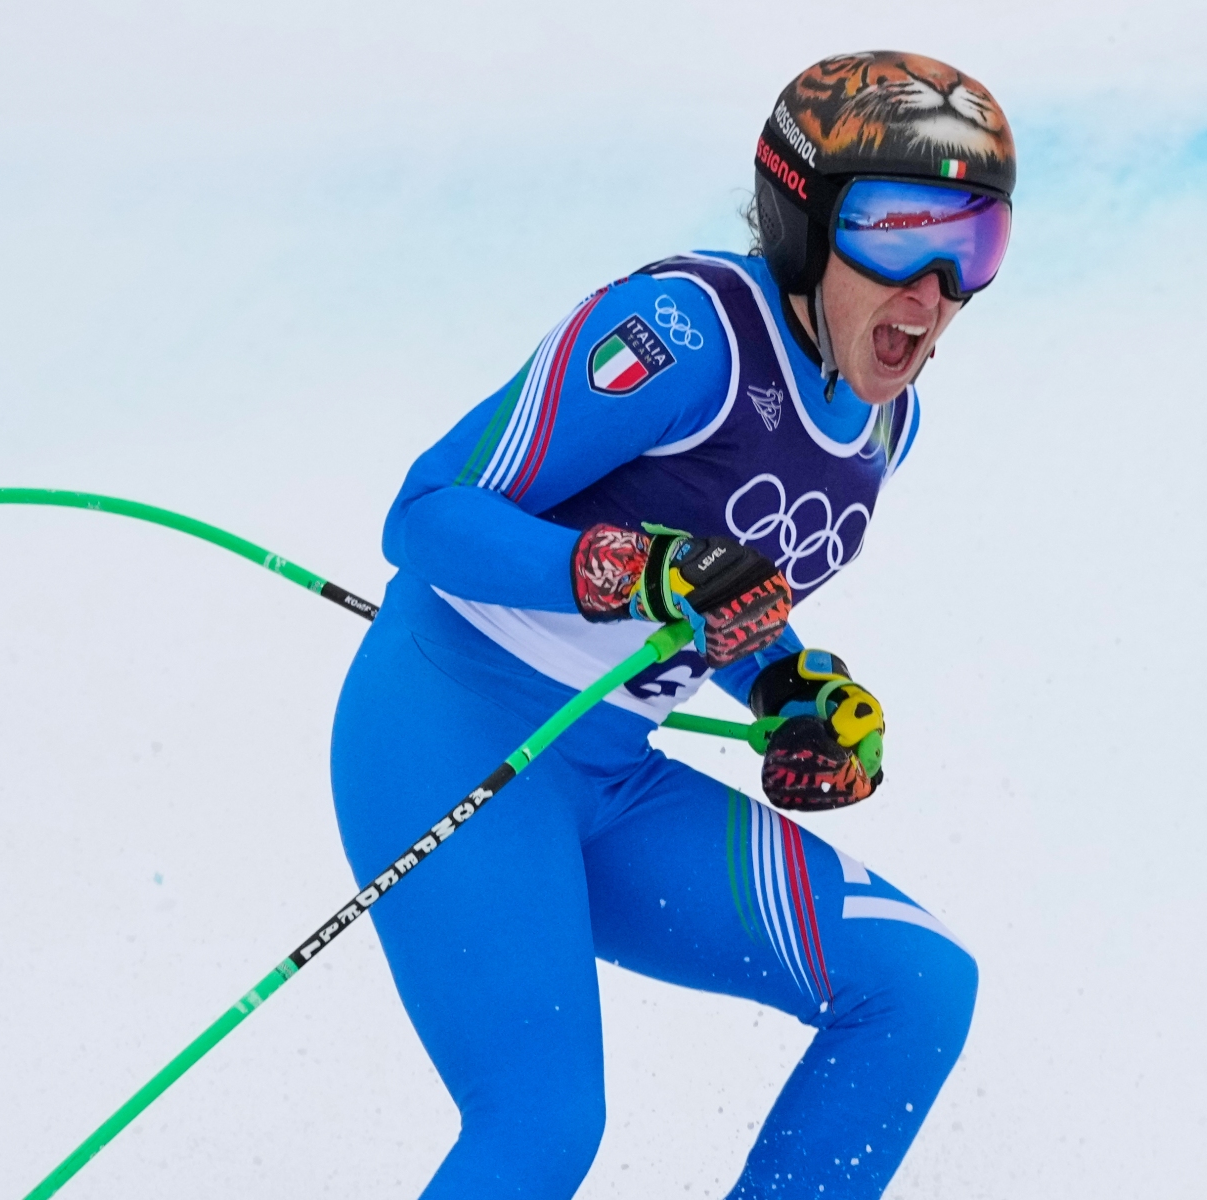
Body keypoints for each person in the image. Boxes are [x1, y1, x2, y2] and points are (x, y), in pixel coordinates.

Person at [329, 51, 1016, 1199]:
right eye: (900, 235)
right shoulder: (684, 335)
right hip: (448, 739)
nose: (935, 291)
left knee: (917, 985)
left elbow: (723, 594)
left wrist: (790, 690)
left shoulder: (881, 427)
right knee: (542, 1124)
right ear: (804, 220)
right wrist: (629, 569)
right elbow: (427, 514)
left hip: (609, 776)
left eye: (977, 245)